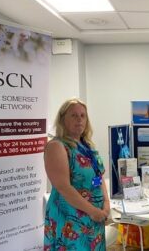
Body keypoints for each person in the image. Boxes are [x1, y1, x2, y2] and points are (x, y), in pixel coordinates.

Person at [43, 98, 110, 250]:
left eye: (83, 116)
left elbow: (98, 178)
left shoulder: (87, 146)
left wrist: (106, 205)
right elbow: (64, 188)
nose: (79, 119)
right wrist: (93, 211)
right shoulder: (57, 146)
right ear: (62, 119)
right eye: (73, 115)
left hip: (94, 218)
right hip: (71, 219)